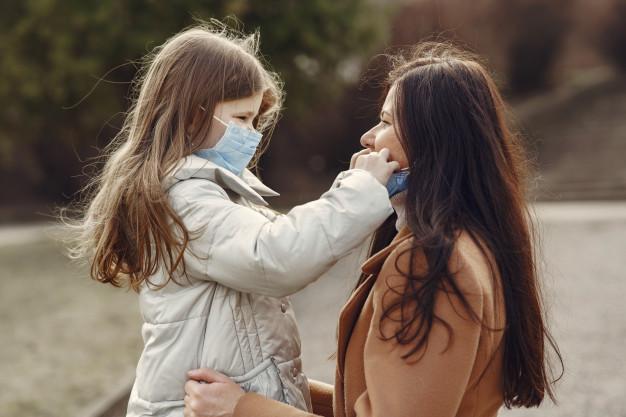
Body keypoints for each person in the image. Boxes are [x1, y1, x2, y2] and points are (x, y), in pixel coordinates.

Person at [182, 42, 563, 417]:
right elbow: (388, 401)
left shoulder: (431, 262)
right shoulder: (473, 243)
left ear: (433, 138)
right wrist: (265, 390)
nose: (367, 138)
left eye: (385, 121)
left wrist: (243, 408)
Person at [65, 23, 400, 417]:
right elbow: (275, 255)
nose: (251, 134)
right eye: (240, 118)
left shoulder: (216, 192)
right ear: (191, 116)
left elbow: (276, 237)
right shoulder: (184, 198)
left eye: (255, 120)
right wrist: (361, 189)